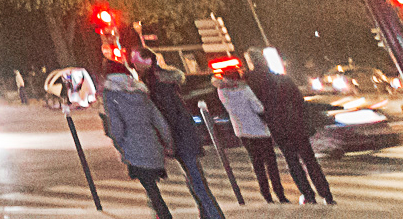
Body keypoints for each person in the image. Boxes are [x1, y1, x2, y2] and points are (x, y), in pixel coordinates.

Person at [144, 59, 225, 219]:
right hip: (185, 138)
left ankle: (214, 216)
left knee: (197, 183)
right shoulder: (170, 87)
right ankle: (208, 215)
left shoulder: (162, 89)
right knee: (196, 181)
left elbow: (171, 118)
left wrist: (167, 142)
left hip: (182, 140)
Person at [250, 56, 331, 205]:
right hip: (296, 124)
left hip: (279, 128)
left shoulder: (256, 86)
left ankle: (308, 195)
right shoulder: (284, 80)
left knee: (292, 161)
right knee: (310, 159)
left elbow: (259, 109)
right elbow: (300, 101)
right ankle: (326, 194)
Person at [101, 61, 175, 219]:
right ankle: (159, 214)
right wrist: (167, 144)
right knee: (152, 188)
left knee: (152, 191)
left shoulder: (111, 95)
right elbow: (160, 121)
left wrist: (119, 146)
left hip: (133, 150)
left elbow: (116, 126)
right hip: (153, 147)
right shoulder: (140, 92)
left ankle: (164, 216)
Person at [215, 72, 283, 202]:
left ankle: (266, 194)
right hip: (259, 130)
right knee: (271, 163)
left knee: (257, 163)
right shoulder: (245, 89)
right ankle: (279, 193)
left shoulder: (222, 92)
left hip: (242, 131)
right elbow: (258, 107)